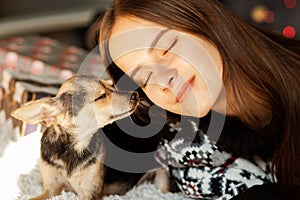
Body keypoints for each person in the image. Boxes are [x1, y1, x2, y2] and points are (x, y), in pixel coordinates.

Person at [88, 0, 300, 199]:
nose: (163, 80)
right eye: (145, 78)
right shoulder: (187, 147)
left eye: (167, 48)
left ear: (207, 21)